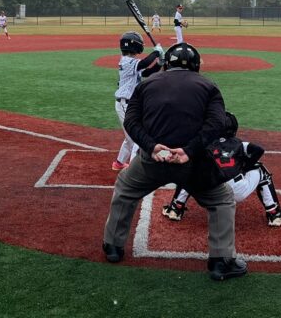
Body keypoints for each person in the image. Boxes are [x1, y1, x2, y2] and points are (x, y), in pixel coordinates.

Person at [102, 42, 247, 281]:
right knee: (221, 200)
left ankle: (113, 247)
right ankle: (221, 262)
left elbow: (131, 122)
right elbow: (217, 125)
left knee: (125, 190)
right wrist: (189, 150)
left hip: (152, 160)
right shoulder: (209, 86)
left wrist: (151, 147)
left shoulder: (147, 84)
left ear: (166, 64)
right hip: (194, 163)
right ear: (196, 66)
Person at [162, 111, 281, 227]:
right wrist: (244, 166)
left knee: (191, 170)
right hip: (238, 190)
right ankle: (275, 214)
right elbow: (259, 150)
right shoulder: (239, 143)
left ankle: (175, 209)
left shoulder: (204, 143)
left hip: (211, 191)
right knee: (261, 169)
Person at [111, 32, 164, 171]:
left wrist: (159, 63)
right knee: (136, 137)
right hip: (125, 104)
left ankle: (119, 163)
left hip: (130, 104)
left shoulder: (131, 62)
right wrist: (156, 52)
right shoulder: (127, 61)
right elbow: (145, 63)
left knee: (130, 136)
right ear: (134, 45)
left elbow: (147, 72)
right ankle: (135, 170)